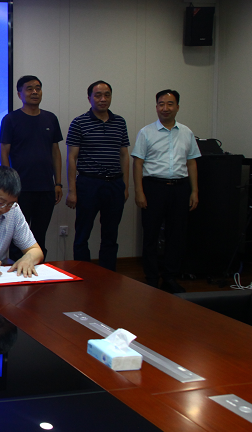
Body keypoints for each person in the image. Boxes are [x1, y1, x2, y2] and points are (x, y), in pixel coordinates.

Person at [132, 89, 200, 293]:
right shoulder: (146, 132)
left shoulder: (186, 132)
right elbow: (138, 163)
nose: (165, 108)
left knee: (176, 235)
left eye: (170, 104)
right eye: (161, 104)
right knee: (151, 235)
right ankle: (152, 278)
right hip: (154, 188)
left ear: (177, 107)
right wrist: (139, 191)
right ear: (156, 107)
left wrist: (194, 191)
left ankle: (170, 277)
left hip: (180, 188)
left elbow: (191, 163)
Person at [65, 81, 130, 271]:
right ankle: (84, 274)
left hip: (115, 184)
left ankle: (108, 275)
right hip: (88, 183)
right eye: (98, 95)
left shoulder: (120, 122)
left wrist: (125, 186)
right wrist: (72, 191)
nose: (103, 99)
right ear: (89, 98)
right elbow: (72, 158)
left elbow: (124, 155)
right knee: (82, 234)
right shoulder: (79, 122)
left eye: (107, 95)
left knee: (111, 234)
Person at [0, 75, 63, 261]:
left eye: (38, 88)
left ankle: (39, 269)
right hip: (20, 189)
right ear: (19, 94)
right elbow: (4, 153)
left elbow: (56, 152)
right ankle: (16, 270)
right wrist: (9, 185)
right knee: (17, 235)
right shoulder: (11, 119)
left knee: (40, 234)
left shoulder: (50, 118)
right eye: (29, 88)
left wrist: (58, 183)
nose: (35, 92)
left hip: (46, 187)